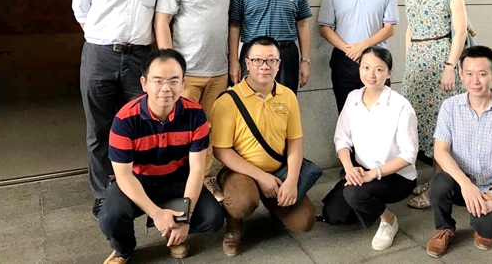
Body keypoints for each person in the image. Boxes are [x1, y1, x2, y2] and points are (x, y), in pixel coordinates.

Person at [72, 0, 168, 219]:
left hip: (139, 57)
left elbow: (159, 15)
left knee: (141, 125)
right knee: (99, 130)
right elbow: (81, 8)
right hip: (100, 55)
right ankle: (102, 194)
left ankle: (138, 189)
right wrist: (102, 38)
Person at [99, 49, 224, 264]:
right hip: (138, 180)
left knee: (213, 218)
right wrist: (156, 214)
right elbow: (124, 176)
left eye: (173, 81)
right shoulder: (125, 120)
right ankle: (124, 250)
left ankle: (173, 229)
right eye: (158, 81)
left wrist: (185, 218)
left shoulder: (196, 115)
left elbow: (196, 169)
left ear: (183, 83)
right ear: (144, 83)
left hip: (177, 180)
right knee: (111, 217)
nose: (166, 89)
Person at [211, 36, 316, 257]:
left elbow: (295, 141)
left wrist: (291, 181)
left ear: (279, 64)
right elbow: (221, 150)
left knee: (305, 221)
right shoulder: (227, 101)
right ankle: (234, 225)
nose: (264, 66)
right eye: (258, 60)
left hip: (278, 171)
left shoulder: (288, 96)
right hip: (239, 172)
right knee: (241, 202)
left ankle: (275, 205)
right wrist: (260, 177)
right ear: (247, 63)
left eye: (271, 60)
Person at [425, 46, 492, 258]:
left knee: (487, 228)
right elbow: (441, 151)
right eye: (469, 73)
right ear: (461, 74)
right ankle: (445, 228)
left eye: (482, 74)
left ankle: (481, 225)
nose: (475, 81)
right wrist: (466, 184)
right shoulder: (449, 107)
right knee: (439, 184)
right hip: (460, 182)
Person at [154, 0, 231, 203]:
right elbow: (162, 21)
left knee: (210, 128)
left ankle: (206, 177)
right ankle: (177, 181)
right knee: (179, 128)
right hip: (187, 74)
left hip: (218, 71)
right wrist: (169, 68)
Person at [321, 47, 417, 250]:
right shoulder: (353, 98)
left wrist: (373, 174)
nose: (371, 75)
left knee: (353, 194)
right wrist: (349, 169)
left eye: (379, 69)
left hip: (396, 176)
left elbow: (409, 154)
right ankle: (366, 201)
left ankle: (388, 219)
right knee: (333, 215)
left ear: (389, 73)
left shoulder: (400, 106)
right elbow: (341, 139)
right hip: (362, 169)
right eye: (365, 67)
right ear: (359, 69)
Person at [401, 0, 468, 209]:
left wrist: (450, 67)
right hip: (417, 67)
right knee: (423, 126)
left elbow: (460, 32)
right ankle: (436, 179)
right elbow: (410, 29)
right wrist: (409, 62)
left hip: (442, 63)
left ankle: (438, 191)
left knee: (443, 127)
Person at [318, 0, 400, 113]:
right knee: (346, 112)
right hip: (344, 61)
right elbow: (325, 29)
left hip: (376, 60)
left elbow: (389, 28)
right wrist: (349, 50)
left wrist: (363, 46)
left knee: (379, 113)